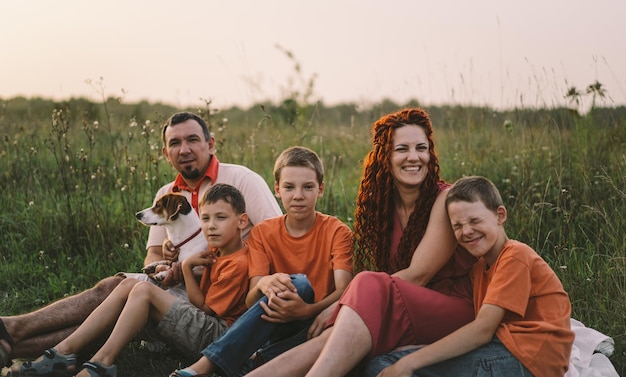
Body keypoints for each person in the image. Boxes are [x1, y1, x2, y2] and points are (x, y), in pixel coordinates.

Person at [0, 112, 282, 364]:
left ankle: (12, 335)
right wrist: (162, 268)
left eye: (192, 140)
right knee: (112, 287)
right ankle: (12, 339)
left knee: (121, 299)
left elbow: (274, 239)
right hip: (179, 287)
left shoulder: (242, 180)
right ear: (165, 152)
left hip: (223, 293)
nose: (184, 149)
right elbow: (153, 255)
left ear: (211, 144)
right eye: (175, 143)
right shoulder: (166, 193)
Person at [241, 107, 477, 377]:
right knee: (330, 336)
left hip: (453, 307)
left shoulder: (444, 199)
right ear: (385, 157)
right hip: (405, 303)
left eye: (421, 148)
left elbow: (419, 275)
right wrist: (349, 307)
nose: (414, 157)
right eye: (402, 149)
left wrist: (340, 304)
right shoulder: (384, 207)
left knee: (363, 284)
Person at [12, 183, 252, 377]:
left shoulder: (237, 263)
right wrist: (173, 257)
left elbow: (206, 309)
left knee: (143, 292)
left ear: (241, 222)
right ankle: (63, 352)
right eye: (206, 219)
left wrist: (187, 269)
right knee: (128, 284)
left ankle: (101, 361)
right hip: (207, 326)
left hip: (221, 336)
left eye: (220, 218)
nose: (210, 227)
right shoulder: (216, 250)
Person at [168, 146, 354, 377]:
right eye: (289, 187)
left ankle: (224, 364)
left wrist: (306, 311)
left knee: (301, 286)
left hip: (315, 323)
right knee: (292, 284)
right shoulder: (263, 232)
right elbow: (251, 297)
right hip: (273, 320)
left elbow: (345, 290)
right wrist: (264, 284)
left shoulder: (337, 231)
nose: (298, 195)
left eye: (308, 187)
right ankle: (229, 364)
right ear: (277, 189)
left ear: (321, 190)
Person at [363, 176, 575, 377]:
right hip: (509, 351)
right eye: (457, 226)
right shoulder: (480, 268)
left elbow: (483, 329)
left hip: (528, 359)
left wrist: (411, 361)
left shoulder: (515, 255)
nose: (466, 231)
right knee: (382, 362)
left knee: (390, 366)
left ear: (500, 215)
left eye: (475, 220)